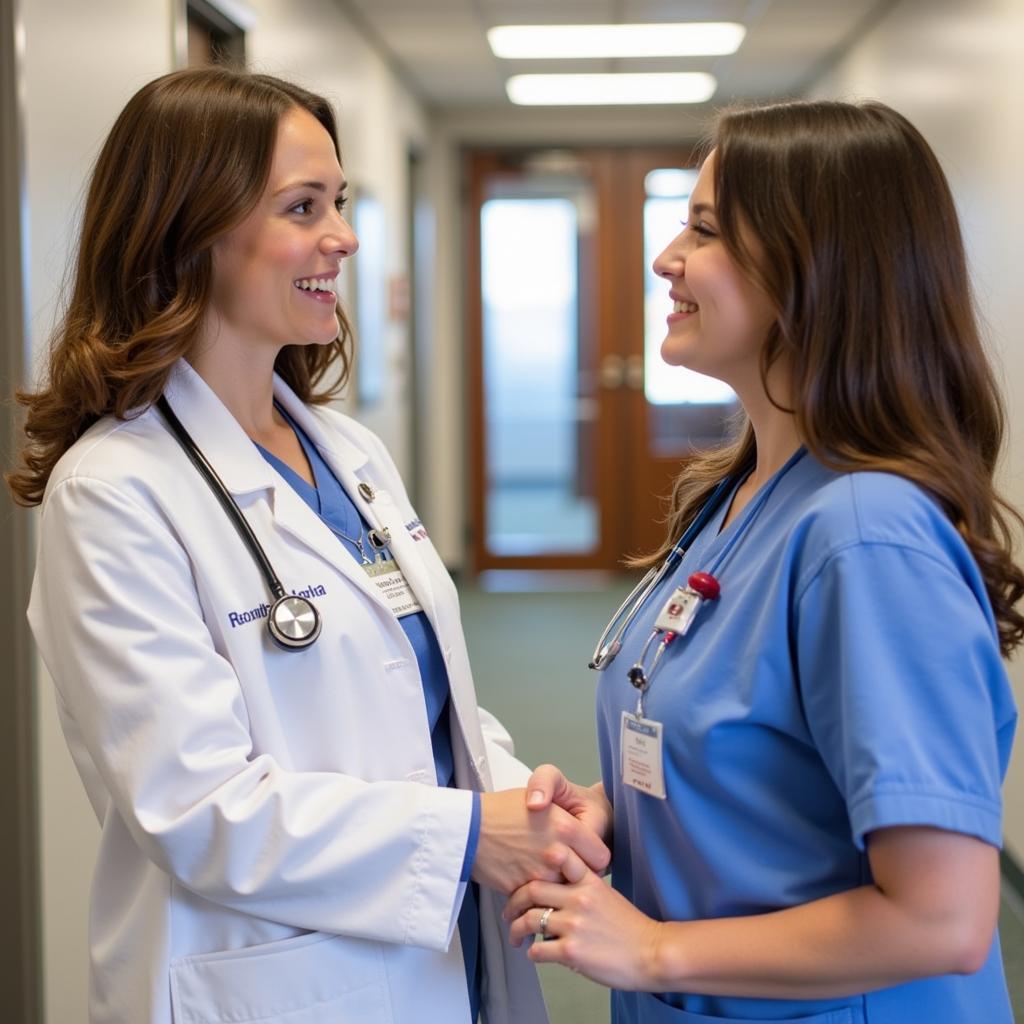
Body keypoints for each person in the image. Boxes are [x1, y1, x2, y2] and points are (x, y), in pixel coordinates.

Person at [7, 67, 610, 1024]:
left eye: (338, 200)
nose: (346, 235)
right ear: (189, 232)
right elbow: (198, 806)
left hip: (445, 945)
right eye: (303, 206)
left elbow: (414, 691)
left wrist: (516, 797)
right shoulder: (115, 491)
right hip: (270, 982)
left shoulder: (350, 451)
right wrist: (463, 837)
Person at [504, 100, 1024, 1023]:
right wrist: (617, 814)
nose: (666, 260)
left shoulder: (865, 535)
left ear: (811, 268)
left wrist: (656, 949)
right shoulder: (742, 494)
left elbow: (941, 917)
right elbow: (765, 773)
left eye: (702, 231)